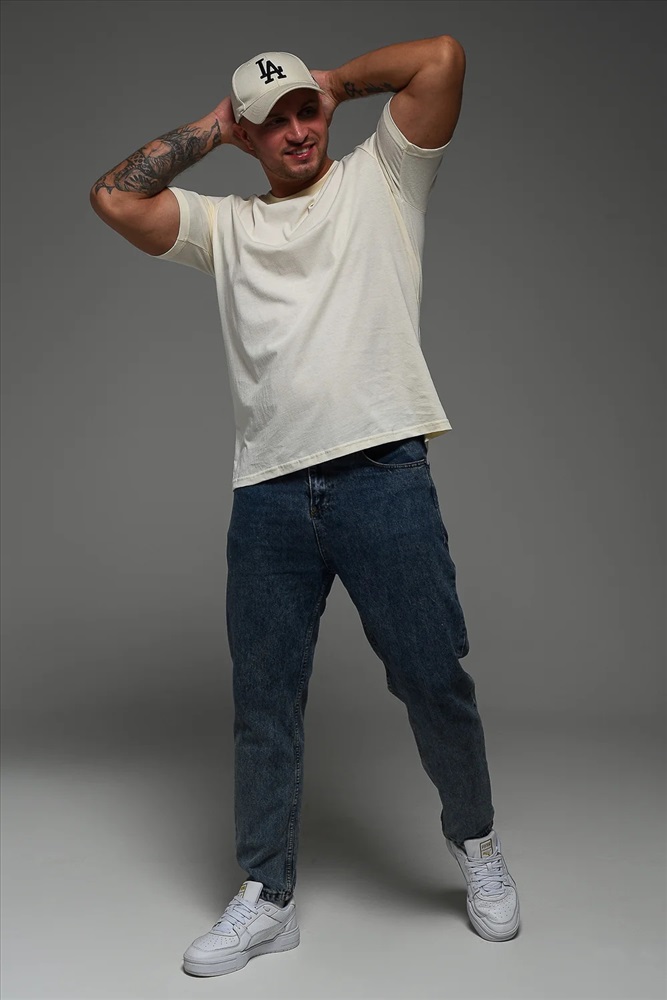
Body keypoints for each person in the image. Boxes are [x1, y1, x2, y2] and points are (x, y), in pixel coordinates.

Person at [90, 36, 520, 978]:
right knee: (264, 702)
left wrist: (329, 84)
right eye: (272, 121)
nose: (295, 130)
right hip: (270, 494)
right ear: (247, 137)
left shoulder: (384, 178)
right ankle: (268, 897)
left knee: (432, 680)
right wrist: (218, 126)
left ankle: (477, 844)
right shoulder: (226, 227)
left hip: (383, 476)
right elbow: (115, 197)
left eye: (305, 113)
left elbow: (441, 58)